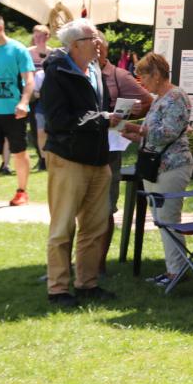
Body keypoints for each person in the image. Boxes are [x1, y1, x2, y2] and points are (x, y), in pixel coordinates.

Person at [40, 18, 121, 306]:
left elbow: (98, 111)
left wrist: (112, 118)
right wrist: (100, 119)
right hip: (68, 158)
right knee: (63, 228)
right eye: (92, 39)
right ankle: (58, 289)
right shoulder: (57, 72)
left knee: (95, 227)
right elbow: (58, 120)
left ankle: (87, 284)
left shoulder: (95, 70)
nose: (99, 43)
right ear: (75, 45)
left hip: (98, 160)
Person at [118, 53, 192, 286]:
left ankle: (177, 272)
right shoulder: (160, 98)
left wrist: (138, 129)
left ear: (157, 75)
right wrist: (134, 135)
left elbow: (167, 133)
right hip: (156, 166)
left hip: (172, 166)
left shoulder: (176, 97)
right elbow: (153, 133)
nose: (142, 83)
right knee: (162, 219)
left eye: (144, 77)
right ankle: (173, 270)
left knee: (169, 218)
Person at [95, 32, 152, 271]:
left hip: (109, 150)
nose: (96, 51)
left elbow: (148, 101)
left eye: (99, 47)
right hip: (79, 150)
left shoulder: (118, 75)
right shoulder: (77, 73)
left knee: (105, 208)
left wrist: (129, 116)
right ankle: (71, 264)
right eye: (92, 46)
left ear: (106, 49)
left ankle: (98, 265)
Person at [0, 12, 36, 206]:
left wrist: (24, 102)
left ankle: (21, 191)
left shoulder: (18, 49)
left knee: (19, 151)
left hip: (14, 111)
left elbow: (29, 80)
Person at [27, 24, 51, 171]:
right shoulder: (28, 53)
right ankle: (41, 158)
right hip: (33, 94)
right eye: (35, 36)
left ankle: (48, 157)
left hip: (49, 94)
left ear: (47, 37)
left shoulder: (52, 53)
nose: (38, 39)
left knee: (47, 128)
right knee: (36, 128)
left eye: (41, 36)